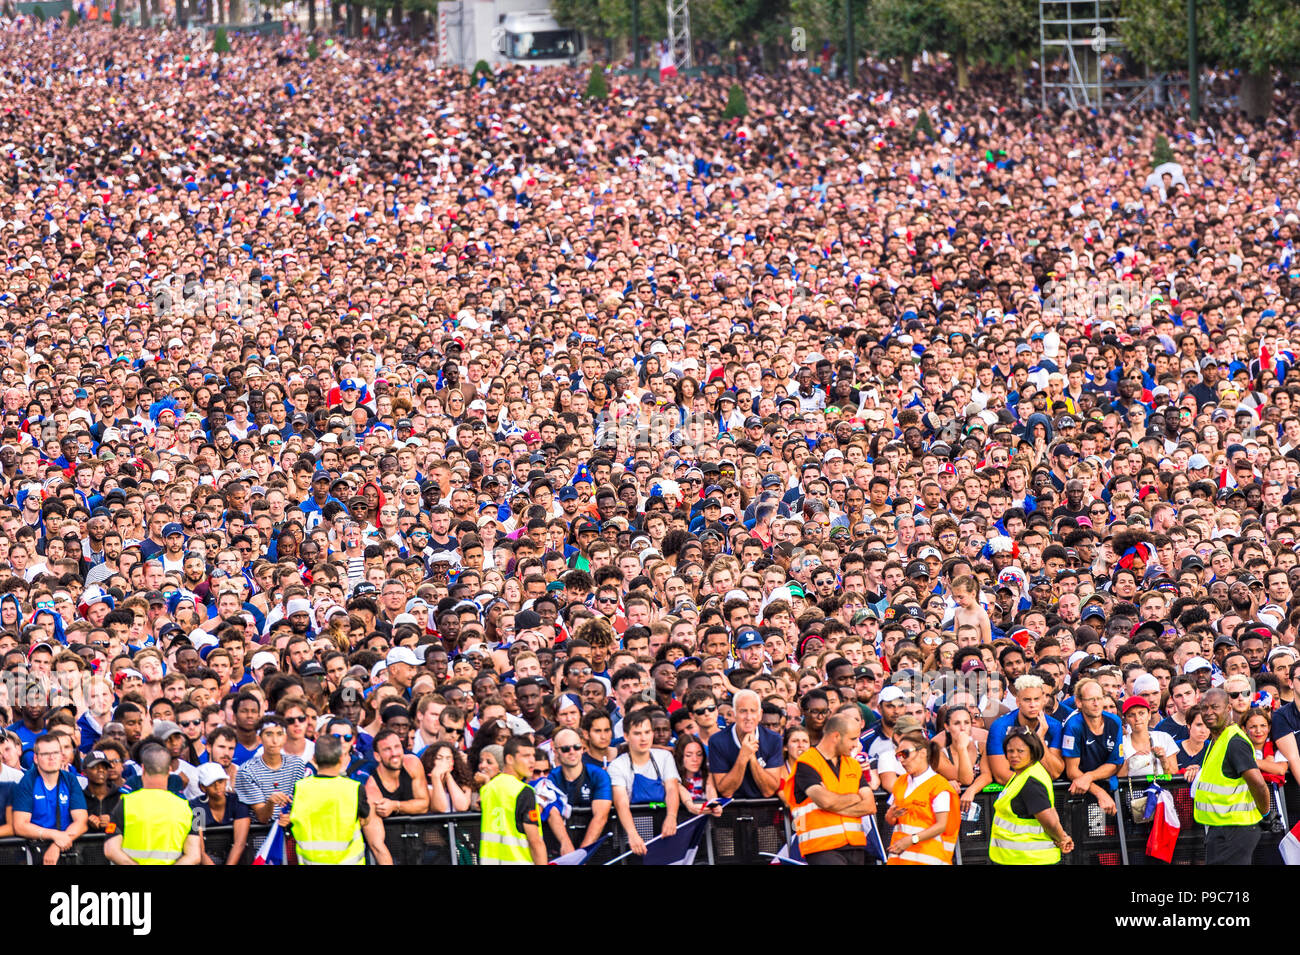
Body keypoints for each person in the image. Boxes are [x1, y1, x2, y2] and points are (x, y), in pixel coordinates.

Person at [1191, 688, 1272, 865]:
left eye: (1215, 707)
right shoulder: (1217, 739)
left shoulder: (1234, 742)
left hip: (1235, 830)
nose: (1208, 712)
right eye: (1204, 708)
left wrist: (1266, 814)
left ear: (1228, 709)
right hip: (1222, 829)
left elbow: (1258, 784)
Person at [289, 733, 392, 865]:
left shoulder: (300, 788)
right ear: (340, 759)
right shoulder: (354, 788)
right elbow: (365, 820)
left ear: (314, 758)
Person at [789, 712, 877, 865]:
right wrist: (855, 797)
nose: (857, 744)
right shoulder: (807, 762)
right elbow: (826, 801)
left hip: (856, 846)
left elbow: (869, 806)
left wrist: (833, 803)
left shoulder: (853, 764)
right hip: (822, 848)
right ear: (836, 737)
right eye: (853, 738)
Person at [103, 743, 201, 866]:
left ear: (143, 768)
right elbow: (194, 855)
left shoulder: (126, 803)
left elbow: (110, 850)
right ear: (169, 770)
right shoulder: (185, 807)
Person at [988, 727, 1073, 865]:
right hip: (1020, 858)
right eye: (1010, 751)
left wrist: (1062, 837)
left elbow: (1049, 819)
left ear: (1033, 752)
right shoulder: (1026, 773)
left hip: (1029, 859)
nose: (1014, 755)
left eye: (1020, 751)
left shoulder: (1030, 781)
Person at [609, 709, 681, 856]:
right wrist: (633, 834)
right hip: (633, 837)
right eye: (637, 733)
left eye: (647, 732)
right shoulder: (617, 765)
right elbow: (621, 802)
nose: (643, 738)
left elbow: (672, 789)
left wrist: (671, 817)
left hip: (663, 831)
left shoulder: (665, 757)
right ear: (626, 736)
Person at [884, 730, 960, 865]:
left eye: (905, 754)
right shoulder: (901, 782)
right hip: (900, 859)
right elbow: (891, 820)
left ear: (923, 753)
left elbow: (941, 825)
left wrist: (911, 840)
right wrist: (890, 815)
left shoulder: (938, 785)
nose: (901, 760)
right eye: (898, 755)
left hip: (928, 857)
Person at [12, 734, 88, 865]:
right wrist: (54, 835)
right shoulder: (28, 781)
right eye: (46, 754)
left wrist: (57, 844)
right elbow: (20, 825)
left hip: (67, 848)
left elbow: (81, 821)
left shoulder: (70, 779)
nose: (52, 758)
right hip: (36, 851)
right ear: (36, 758)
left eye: (55, 753)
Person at [478, 735, 547, 865]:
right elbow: (535, 842)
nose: (532, 761)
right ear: (509, 758)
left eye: (533, 755)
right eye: (526, 756)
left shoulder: (488, 789)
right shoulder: (524, 791)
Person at [706, 689, 782, 798]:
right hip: (731, 809)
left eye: (753, 711)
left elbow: (768, 791)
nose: (748, 717)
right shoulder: (717, 741)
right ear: (733, 714)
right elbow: (726, 792)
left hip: (763, 808)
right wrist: (742, 756)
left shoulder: (774, 740)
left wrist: (751, 757)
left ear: (760, 714)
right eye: (743, 711)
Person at [1061, 677, 1121, 813]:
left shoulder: (1114, 721)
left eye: (1099, 699)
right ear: (1079, 702)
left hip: (1106, 785)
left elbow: (1115, 763)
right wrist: (1099, 793)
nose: (1096, 704)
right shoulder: (1073, 725)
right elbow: (1071, 770)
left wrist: (1088, 777)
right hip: (1078, 790)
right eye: (1090, 699)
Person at [548, 727, 612, 848]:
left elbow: (601, 817)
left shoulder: (598, 775)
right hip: (562, 847)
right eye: (566, 749)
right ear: (555, 752)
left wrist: (582, 853)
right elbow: (553, 814)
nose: (572, 751)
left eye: (577, 747)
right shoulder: (552, 778)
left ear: (582, 748)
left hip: (596, 847)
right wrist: (566, 845)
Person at [190, 762, 250, 866]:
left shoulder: (238, 801)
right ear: (202, 787)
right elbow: (199, 848)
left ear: (226, 781)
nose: (217, 786)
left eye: (220, 781)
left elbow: (239, 843)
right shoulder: (196, 807)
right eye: (211, 783)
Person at [364, 728, 431, 817]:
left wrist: (394, 805)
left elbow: (424, 805)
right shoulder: (372, 785)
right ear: (377, 756)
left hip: (419, 828)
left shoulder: (412, 763)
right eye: (387, 749)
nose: (394, 753)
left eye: (397, 747)